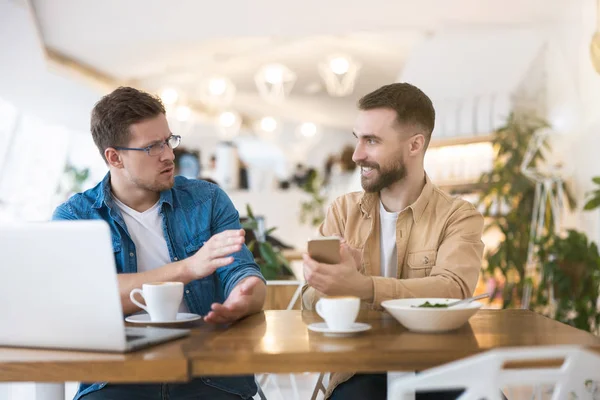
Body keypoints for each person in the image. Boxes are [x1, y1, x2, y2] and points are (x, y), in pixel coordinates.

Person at [53, 87, 266, 400]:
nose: (169, 154)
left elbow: (242, 272)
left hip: (209, 375)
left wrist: (246, 295)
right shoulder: (76, 217)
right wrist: (188, 268)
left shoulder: (207, 200)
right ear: (114, 157)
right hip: (117, 379)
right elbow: (87, 299)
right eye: (152, 147)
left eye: (168, 140)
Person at [301, 83, 485, 400]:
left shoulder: (459, 216)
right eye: (357, 138)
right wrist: (325, 283)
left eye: (371, 141)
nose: (357, 154)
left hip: (440, 367)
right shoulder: (343, 212)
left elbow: (452, 290)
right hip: (360, 369)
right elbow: (309, 303)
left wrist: (362, 286)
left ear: (414, 145)